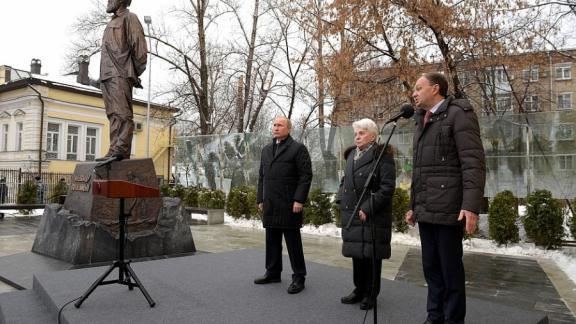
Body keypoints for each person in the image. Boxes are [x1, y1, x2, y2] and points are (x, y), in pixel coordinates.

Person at [406, 72, 486, 324]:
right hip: (427, 209)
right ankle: (434, 317)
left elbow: (473, 163)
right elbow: (420, 170)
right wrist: (413, 206)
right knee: (431, 270)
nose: (414, 93)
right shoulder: (421, 120)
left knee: (450, 272)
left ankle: (453, 320)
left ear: (435, 88)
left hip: (449, 208)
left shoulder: (458, 114)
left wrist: (470, 206)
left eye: (419, 88)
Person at [337, 118, 396, 310]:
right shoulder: (352, 155)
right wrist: (340, 199)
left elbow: (387, 188)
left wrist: (367, 207)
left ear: (372, 135)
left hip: (371, 215)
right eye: (356, 133)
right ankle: (359, 289)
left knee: (371, 256)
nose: (357, 137)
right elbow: (344, 181)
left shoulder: (382, 155)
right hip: (351, 212)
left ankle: (371, 294)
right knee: (357, 254)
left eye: (361, 133)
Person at [255, 117, 313, 294]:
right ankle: (272, 272)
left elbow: (306, 176)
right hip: (271, 203)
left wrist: (299, 200)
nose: (276, 128)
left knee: (293, 243)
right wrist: (260, 199)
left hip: (289, 204)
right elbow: (261, 177)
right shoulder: (266, 150)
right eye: (274, 125)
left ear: (289, 128)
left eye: (280, 125)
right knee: (271, 241)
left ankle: (299, 277)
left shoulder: (298, 149)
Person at [96, 0, 147, 161]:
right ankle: (114, 149)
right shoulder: (112, 22)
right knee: (113, 114)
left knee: (123, 113)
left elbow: (140, 49)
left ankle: (121, 149)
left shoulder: (130, 18)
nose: (109, 1)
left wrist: (132, 73)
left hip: (121, 73)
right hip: (106, 75)